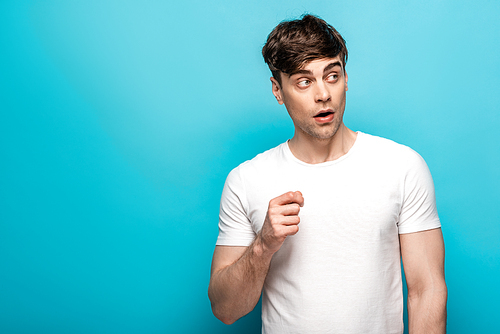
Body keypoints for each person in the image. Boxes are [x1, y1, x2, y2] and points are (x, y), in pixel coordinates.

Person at [208, 14, 447, 334]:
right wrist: (263, 246)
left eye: (332, 75)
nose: (323, 94)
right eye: (304, 81)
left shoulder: (401, 165)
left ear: (346, 78)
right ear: (278, 90)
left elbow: (426, 289)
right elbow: (225, 309)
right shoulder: (246, 180)